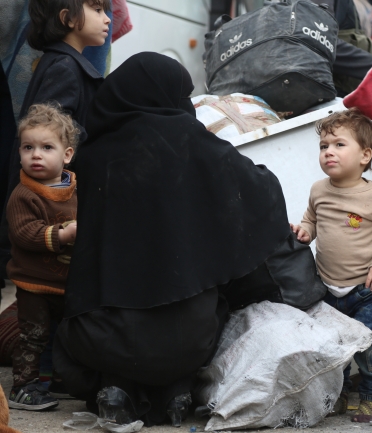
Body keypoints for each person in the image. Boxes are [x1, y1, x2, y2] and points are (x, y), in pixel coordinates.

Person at [53, 52, 292, 427]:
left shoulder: (94, 154)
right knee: (209, 302)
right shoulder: (192, 141)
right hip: (189, 342)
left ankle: (118, 387)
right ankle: (177, 388)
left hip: (102, 339)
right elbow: (261, 191)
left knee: (78, 327)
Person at [291, 109, 372, 422]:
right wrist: (304, 232)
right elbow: (311, 220)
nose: (329, 151)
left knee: (371, 349)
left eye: (339, 145)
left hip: (367, 289)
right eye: (323, 146)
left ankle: (371, 399)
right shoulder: (318, 190)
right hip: (326, 288)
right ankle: (337, 397)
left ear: (365, 155)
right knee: (332, 350)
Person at [1, 0, 110, 280]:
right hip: (47, 198)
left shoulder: (62, 61)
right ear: (68, 18)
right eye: (97, 10)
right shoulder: (65, 66)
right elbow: (52, 133)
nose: (107, 18)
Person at [5, 103, 78, 411]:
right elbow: (25, 232)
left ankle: (54, 379)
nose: (35, 154)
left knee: (62, 333)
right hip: (33, 282)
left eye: (47, 147)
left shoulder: (75, 188)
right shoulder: (24, 195)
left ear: (67, 155)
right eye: (28, 147)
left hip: (65, 281)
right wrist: (62, 234)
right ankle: (24, 386)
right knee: (33, 335)